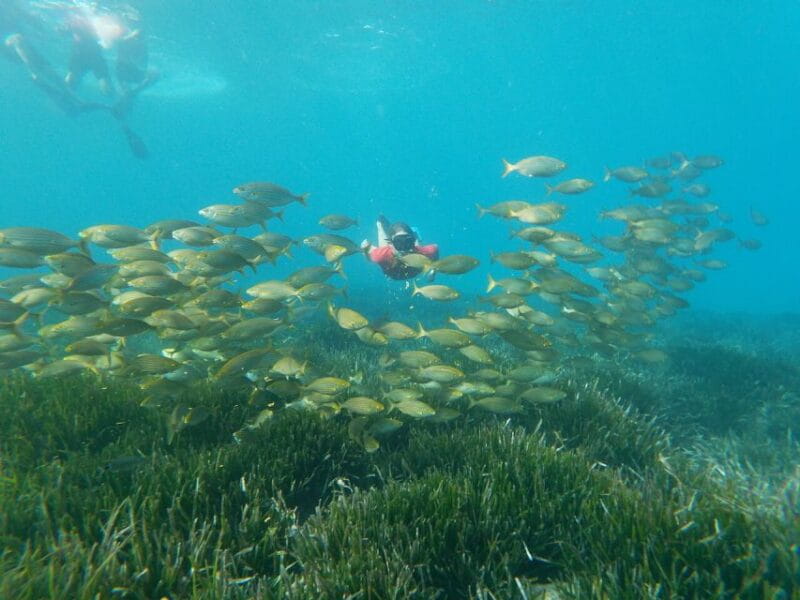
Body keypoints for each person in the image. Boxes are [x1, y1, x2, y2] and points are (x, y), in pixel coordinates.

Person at [361, 215, 439, 280]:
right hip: (389, 253)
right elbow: (369, 257)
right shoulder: (381, 255)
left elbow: (436, 248)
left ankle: (414, 234)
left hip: (412, 250)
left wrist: (433, 271)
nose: (404, 249)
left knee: (417, 248)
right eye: (398, 242)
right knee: (383, 245)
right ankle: (380, 224)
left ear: (412, 242)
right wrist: (365, 250)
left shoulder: (423, 253)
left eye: (408, 242)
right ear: (391, 244)